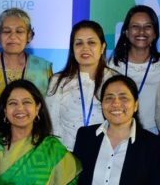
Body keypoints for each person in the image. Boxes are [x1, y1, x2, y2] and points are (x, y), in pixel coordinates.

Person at [0, 8, 53, 140]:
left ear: (29, 36)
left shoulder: (43, 69)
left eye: (19, 31)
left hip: (35, 145)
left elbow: (51, 111)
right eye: (7, 31)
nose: (13, 37)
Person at [46, 20, 116, 150]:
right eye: (79, 43)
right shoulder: (58, 81)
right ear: (73, 49)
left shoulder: (115, 80)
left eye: (91, 42)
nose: (85, 48)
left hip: (106, 154)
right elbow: (51, 126)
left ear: (102, 47)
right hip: (66, 155)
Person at [110, 5, 160, 133]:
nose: (142, 32)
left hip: (155, 132)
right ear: (126, 32)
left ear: (155, 33)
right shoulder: (112, 65)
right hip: (120, 131)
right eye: (135, 26)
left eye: (148, 27)